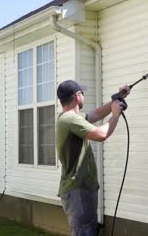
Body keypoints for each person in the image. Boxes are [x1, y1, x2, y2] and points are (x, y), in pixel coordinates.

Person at [55, 80, 130, 236]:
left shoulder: (70, 118)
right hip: (78, 189)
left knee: (87, 230)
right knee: (84, 232)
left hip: (80, 189)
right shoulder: (70, 119)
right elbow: (101, 134)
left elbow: (96, 114)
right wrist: (115, 115)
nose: (84, 95)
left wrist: (118, 98)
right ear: (77, 96)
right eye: (82, 93)